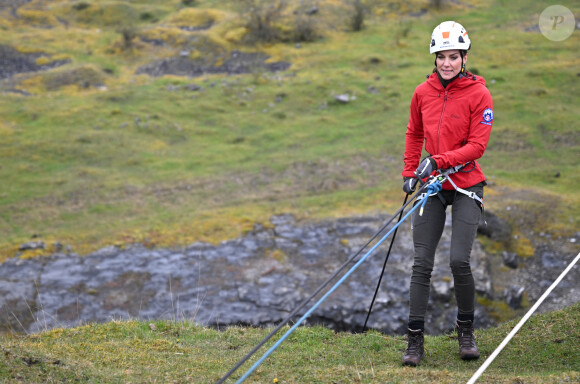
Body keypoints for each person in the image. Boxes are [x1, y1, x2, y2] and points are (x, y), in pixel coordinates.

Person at [400, 21, 493, 366]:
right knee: (421, 262)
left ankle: (465, 331)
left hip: (467, 184)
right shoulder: (422, 93)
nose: (447, 63)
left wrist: (436, 160)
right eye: (441, 57)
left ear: (464, 57)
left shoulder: (479, 94)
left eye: (454, 56)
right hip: (433, 187)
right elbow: (414, 133)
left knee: (458, 261)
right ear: (435, 58)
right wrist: (411, 172)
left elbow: (477, 146)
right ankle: (414, 341)